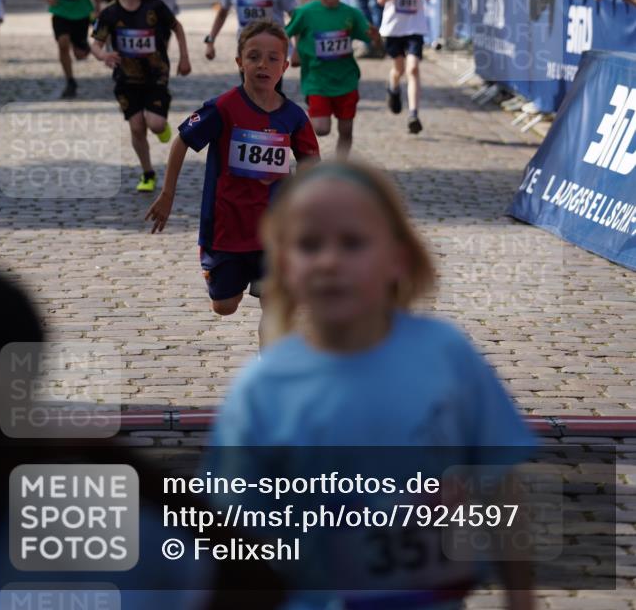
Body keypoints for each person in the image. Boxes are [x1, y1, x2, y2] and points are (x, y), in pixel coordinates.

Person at [211, 161, 536, 609]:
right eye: (309, 245)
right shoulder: (262, 390)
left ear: (397, 256)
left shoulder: (447, 355)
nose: (329, 261)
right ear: (283, 263)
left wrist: (520, 598)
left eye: (353, 243)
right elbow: (231, 538)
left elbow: (502, 485)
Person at [145, 21, 319, 328]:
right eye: (253, 57)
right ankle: (222, 281)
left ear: (285, 66)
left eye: (272, 58)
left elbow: (312, 166)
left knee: (275, 307)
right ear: (240, 63)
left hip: (274, 230)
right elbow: (182, 141)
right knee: (224, 306)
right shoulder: (223, 108)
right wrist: (167, 194)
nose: (262, 64)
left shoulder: (294, 117)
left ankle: (270, 369)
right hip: (226, 227)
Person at [90, 0, 191, 192]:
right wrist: (103, 55)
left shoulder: (155, 7)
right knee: (136, 127)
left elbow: (178, 28)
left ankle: (160, 126)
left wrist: (184, 58)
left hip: (156, 76)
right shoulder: (110, 14)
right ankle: (148, 173)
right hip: (126, 80)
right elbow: (95, 43)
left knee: (154, 124)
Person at [285, 0, 378, 157]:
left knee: (346, 131)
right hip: (317, 80)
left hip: (346, 80)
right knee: (321, 128)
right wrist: (294, 50)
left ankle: (340, 166)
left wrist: (376, 37)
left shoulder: (352, 14)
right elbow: (283, 34)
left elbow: (372, 40)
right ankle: (301, 137)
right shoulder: (305, 13)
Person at [375, 0, 434, 134]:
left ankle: (414, 114)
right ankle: (393, 87)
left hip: (415, 27)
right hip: (394, 27)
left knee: (413, 69)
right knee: (398, 70)